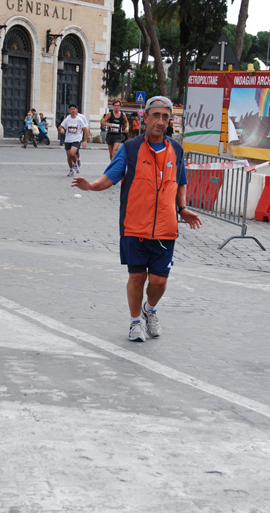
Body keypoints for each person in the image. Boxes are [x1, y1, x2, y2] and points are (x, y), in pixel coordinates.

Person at [72, 95, 202, 342]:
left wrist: (183, 208)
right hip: (134, 226)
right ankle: (134, 322)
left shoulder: (176, 149)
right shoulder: (130, 149)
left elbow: (181, 182)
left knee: (159, 282)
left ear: (170, 121)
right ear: (145, 118)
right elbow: (109, 177)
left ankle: (149, 309)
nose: (160, 121)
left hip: (166, 227)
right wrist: (91, 186)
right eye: (156, 115)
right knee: (137, 277)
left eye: (165, 117)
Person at [58, 104, 88, 176]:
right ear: (69, 111)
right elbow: (60, 127)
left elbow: (86, 130)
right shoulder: (67, 119)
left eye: (74, 109)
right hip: (68, 139)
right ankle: (71, 169)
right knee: (69, 156)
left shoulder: (79, 120)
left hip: (76, 139)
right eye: (71, 109)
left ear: (76, 110)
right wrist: (61, 129)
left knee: (72, 153)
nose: (73, 110)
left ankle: (75, 164)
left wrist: (85, 141)